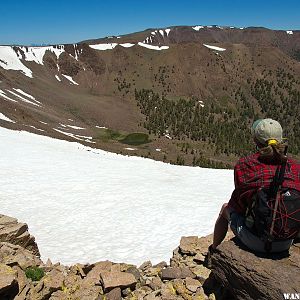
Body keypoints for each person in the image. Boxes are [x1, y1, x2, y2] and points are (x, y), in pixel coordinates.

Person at [210, 118, 300, 254]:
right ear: (281, 139)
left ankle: (214, 250)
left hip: (256, 241)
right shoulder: (295, 167)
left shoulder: (245, 165)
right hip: (287, 240)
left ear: (256, 141)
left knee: (225, 209)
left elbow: (238, 204)